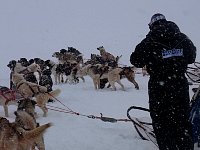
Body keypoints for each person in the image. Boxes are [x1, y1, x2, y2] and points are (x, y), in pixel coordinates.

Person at [130, 13, 196, 150]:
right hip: (179, 85)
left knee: (161, 123)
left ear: (152, 25)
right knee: (182, 121)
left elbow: (135, 60)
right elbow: (191, 57)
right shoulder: (183, 38)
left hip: (159, 87)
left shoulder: (149, 41)